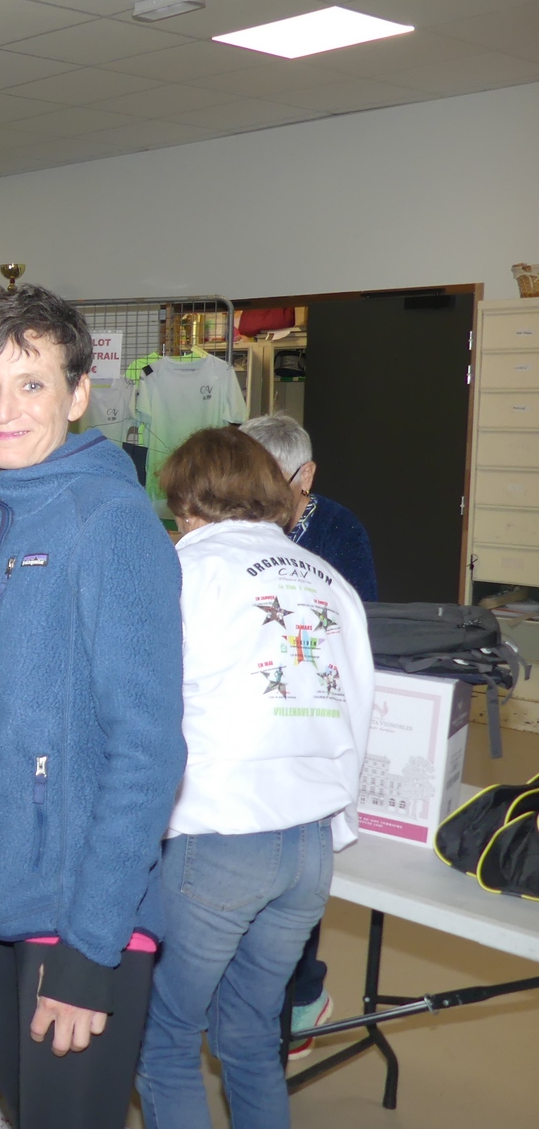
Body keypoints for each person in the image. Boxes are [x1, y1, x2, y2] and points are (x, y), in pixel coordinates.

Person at [0, 285, 186, 1129]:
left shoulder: (110, 523)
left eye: (30, 384)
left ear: (77, 395)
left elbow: (148, 752)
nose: (2, 409)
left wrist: (91, 951)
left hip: (78, 915)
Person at [137, 427, 373, 1129]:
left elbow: (145, 709)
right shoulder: (328, 581)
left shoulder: (182, 572)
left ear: (189, 502)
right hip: (308, 849)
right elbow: (360, 711)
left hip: (217, 838)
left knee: (166, 1041)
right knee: (249, 1036)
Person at [240, 411, 377, 1050]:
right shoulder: (236, 525)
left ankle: (301, 996)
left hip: (312, 722)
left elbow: (361, 633)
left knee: (299, 870)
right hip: (250, 721)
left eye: (270, 481)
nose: (255, 496)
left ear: (306, 477)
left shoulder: (338, 532)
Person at [241, 412, 378, 601]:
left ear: (305, 476)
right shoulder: (227, 518)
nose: (252, 500)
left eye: (269, 487)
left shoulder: (339, 530)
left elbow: (362, 609)